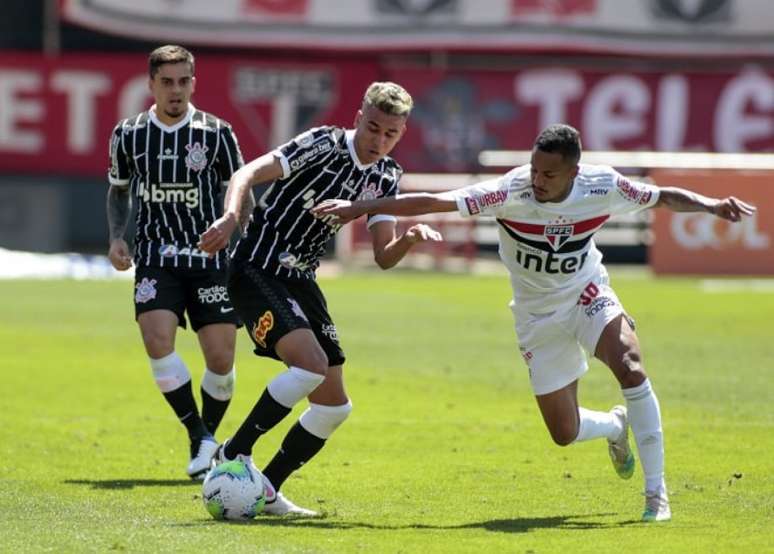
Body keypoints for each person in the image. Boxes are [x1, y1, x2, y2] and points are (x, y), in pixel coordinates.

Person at [312, 123, 756, 522]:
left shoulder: (604, 185)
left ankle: (656, 494)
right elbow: (436, 200)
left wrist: (713, 205)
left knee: (631, 365)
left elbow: (662, 197)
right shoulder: (511, 190)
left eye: (548, 175)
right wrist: (360, 207)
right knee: (564, 433)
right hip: (535, 314)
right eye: (534, 170)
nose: (537, 181)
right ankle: (616, 426)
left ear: (574, 174)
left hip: (587, 292)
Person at [197, 81, 441, 516]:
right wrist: (232, 215)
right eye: (373, 128)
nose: (378, 141)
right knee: (309, 364)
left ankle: (267, 490)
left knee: (334, 406)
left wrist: (410, 238)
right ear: (358, 119)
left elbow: (383, 256)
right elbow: (246, 174)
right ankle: (234, 452)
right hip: (257, 266)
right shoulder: (321, 143)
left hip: (301, 280)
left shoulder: (387, 175)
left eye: (390, 134)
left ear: (401, 134)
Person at [107, 45, 251, 480]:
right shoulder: (128, 134)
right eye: (166, 82)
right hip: (156, 257)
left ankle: (209, 438)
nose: (176, 90)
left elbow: (241, 191)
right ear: (151, 84)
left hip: (210, 259)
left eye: (183, 81)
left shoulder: (217, 132)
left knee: (221, 361)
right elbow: (119, 190)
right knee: (156, 340)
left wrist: (233, 231)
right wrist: (117, 236)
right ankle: (198, 435)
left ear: (194, 82)